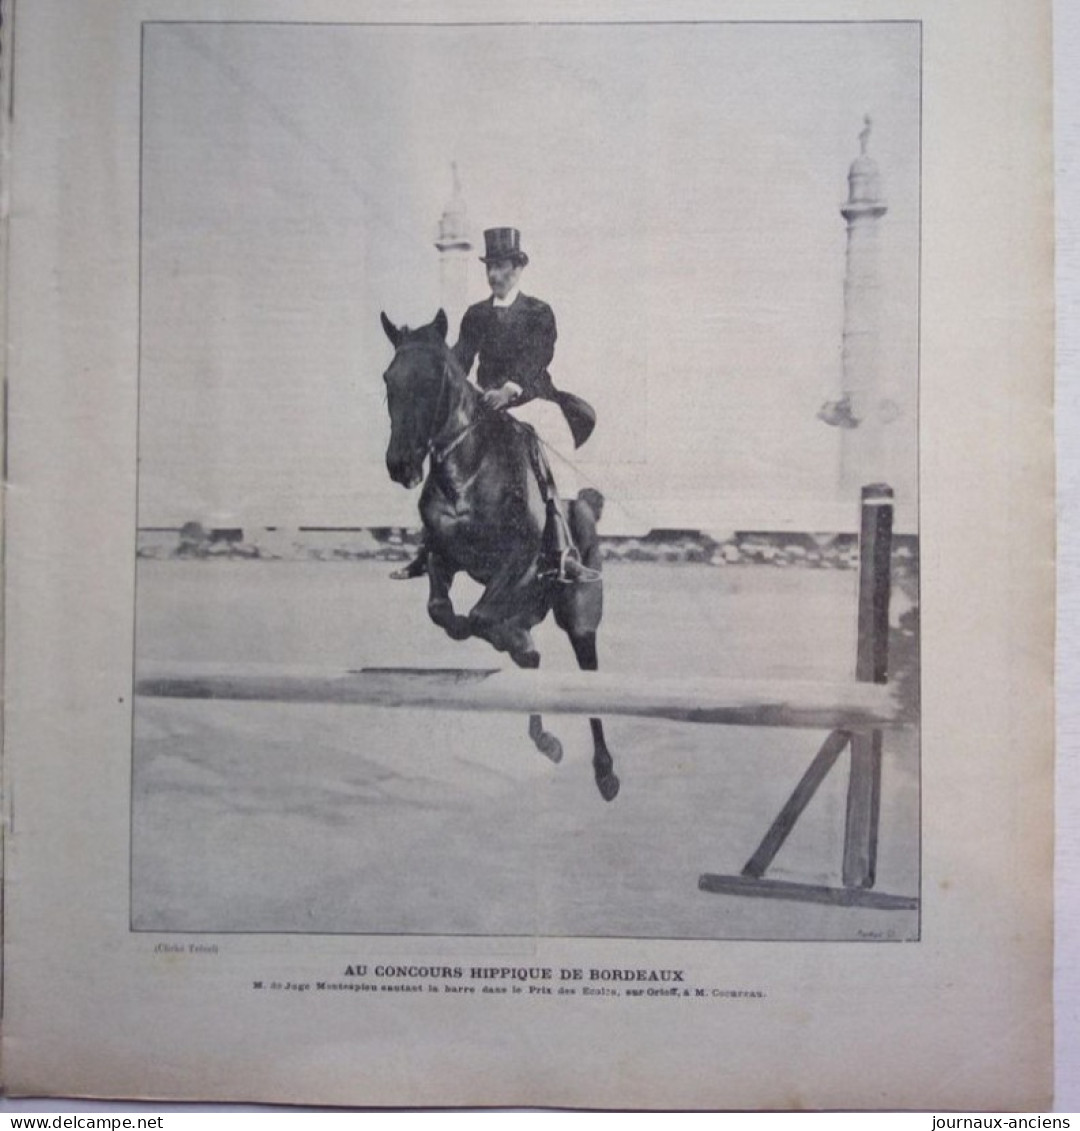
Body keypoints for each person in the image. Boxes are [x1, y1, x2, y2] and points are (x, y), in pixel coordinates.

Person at [391, 227, 597, 583]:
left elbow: (538, 359)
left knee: (557, 449)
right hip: (487, 402)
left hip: (533, 400)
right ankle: (430, 545)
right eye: (489, 267)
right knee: (445, 443)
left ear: (517, 269)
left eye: (500, 267)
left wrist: (510, 390)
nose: (493, 275)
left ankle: (562, 549)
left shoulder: (538, 312)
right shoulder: (475, 315)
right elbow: (462, 359)